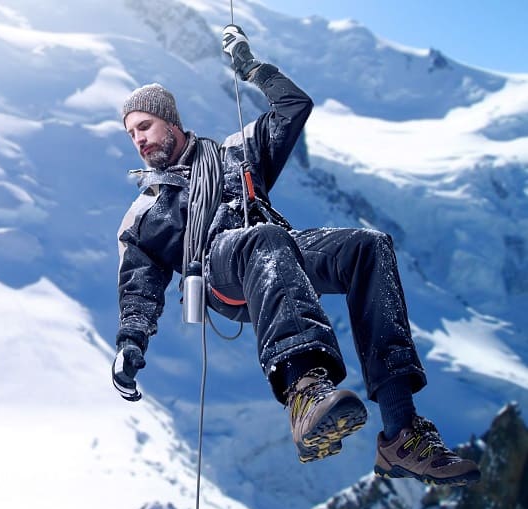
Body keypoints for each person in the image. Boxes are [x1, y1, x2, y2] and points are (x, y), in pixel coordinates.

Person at [111, 24, 480, 485]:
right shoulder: (145, 213)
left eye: (144, 126)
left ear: (170, 121)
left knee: (367, 248)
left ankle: (401, 432)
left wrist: (252, 67)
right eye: (131, 134)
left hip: (277, 253)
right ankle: (303, 390)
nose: (139, 139)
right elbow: (139, 285)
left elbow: (293, 107)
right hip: (221, 270)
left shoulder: (234, 154)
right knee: (264, 238)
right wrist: (130, 342)